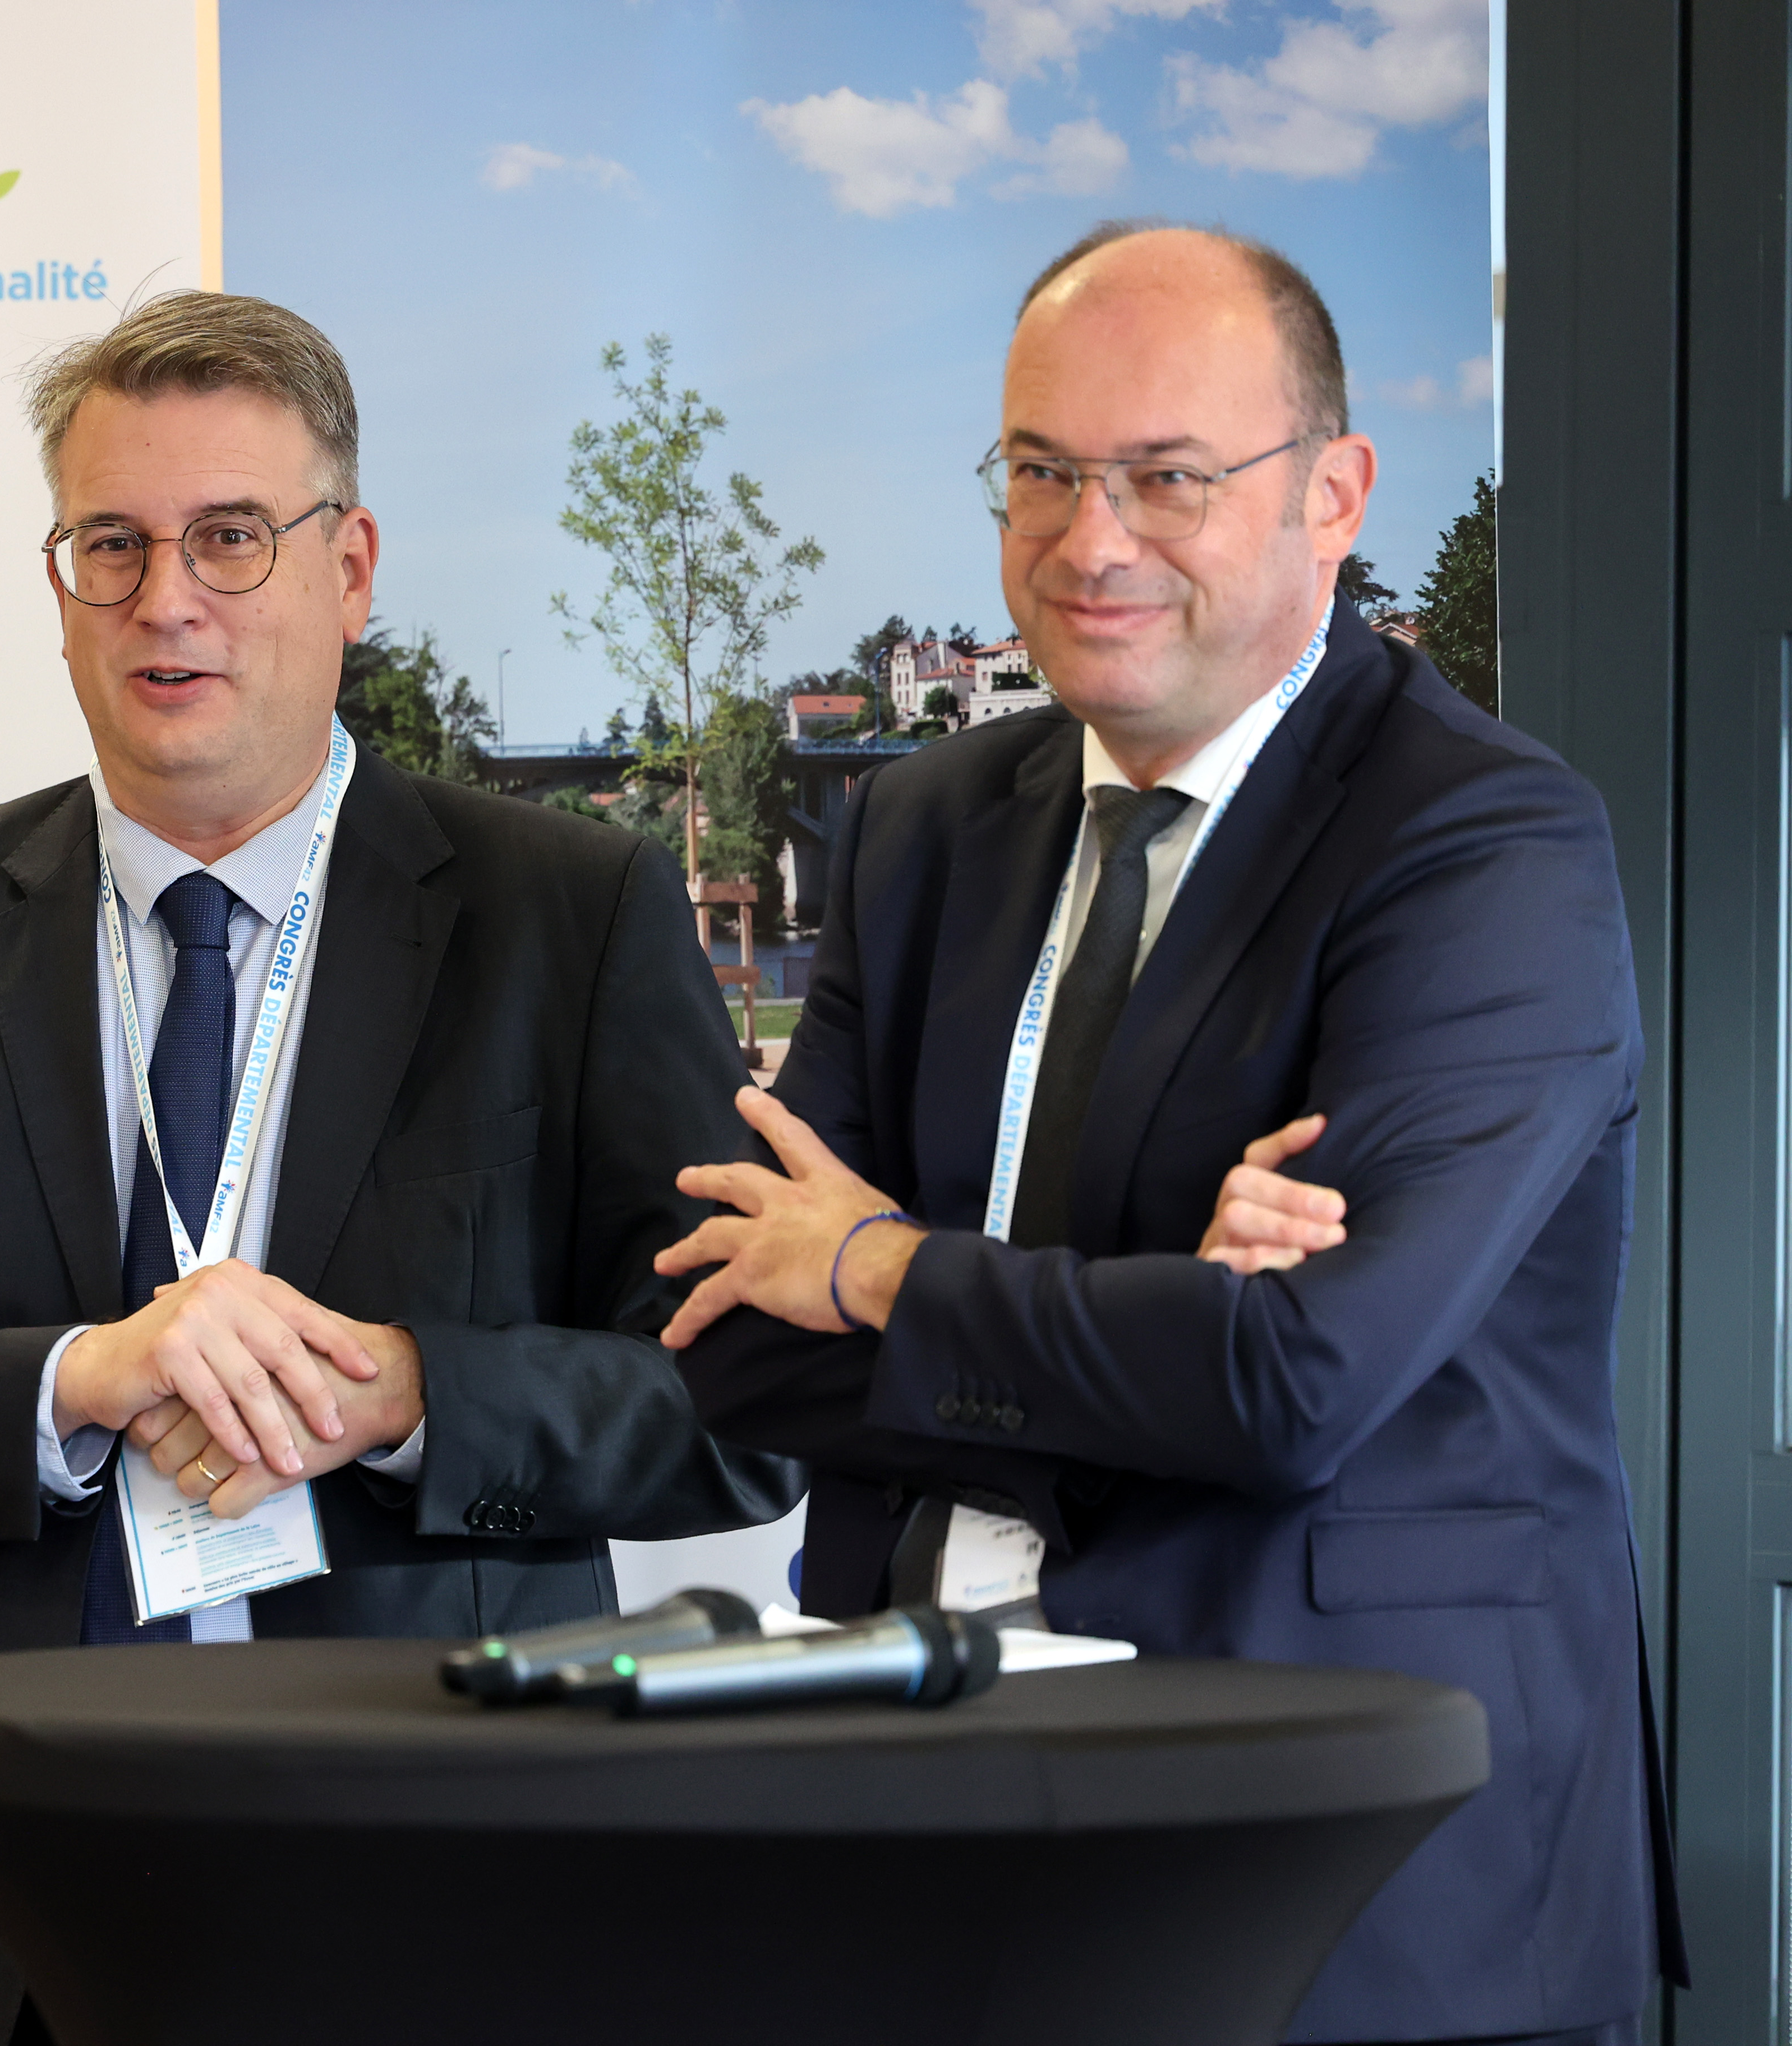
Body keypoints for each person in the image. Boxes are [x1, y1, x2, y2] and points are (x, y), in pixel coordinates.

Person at [0, 290, 798, 2046]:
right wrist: (74, 1381)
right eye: (109, 544)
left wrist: (412, 1393)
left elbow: (744, 1410)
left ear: (349, 567)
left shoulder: (565, 919)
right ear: (58, 584)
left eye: (229, 539)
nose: (165, 600)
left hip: (448, 1881)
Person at [657, 223, 1680, 2044]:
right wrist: (1150, 1328)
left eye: (1169, 477)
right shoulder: (930, 822)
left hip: (1344, 1883)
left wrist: (884, 1271)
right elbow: (733, 1327)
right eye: (1041, 472)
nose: (1091, 537)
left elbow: (1297, 1383)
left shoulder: (1484, 847)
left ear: (1334, 493)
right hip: (921, 1835)